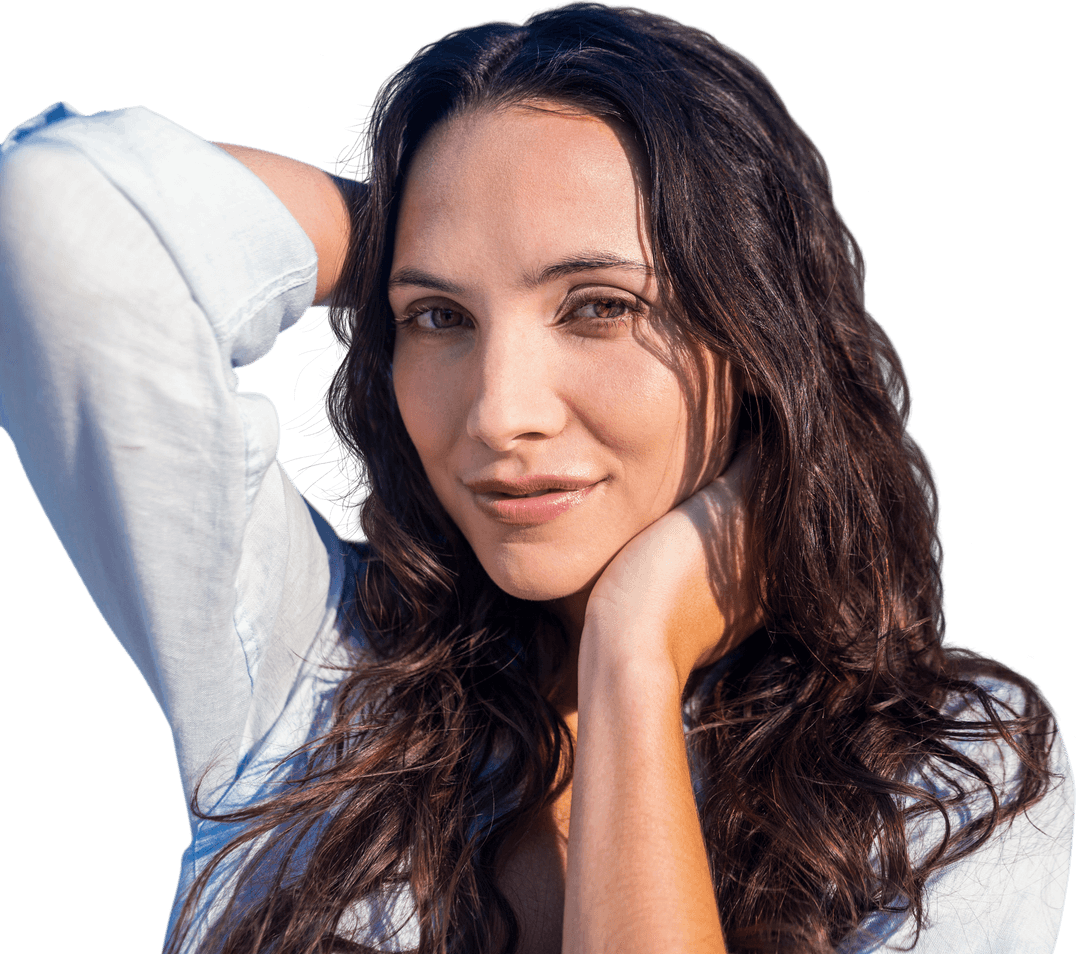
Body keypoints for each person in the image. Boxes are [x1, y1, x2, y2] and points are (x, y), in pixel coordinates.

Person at [0, 3, 1071, 952]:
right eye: (438, 317)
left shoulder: (948, 771)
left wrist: (633, 659)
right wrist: (382, 227)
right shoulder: (316, 683)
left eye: (599, 306)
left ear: (757, 337)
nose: (500, 414)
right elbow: (55, 215)